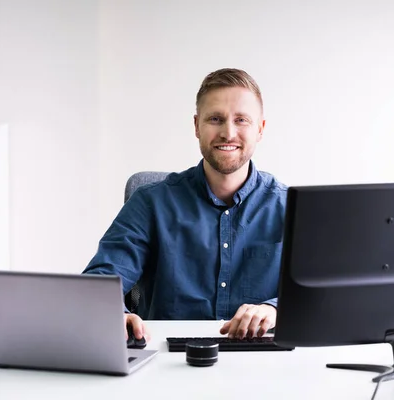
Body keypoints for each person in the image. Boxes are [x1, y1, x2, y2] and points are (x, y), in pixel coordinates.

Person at [83, 68, 287, 342]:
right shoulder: (150, 202)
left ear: (260, 129)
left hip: (260, 363)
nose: (228, 132)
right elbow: (100, 280)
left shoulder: (289, 206)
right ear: (196, 126)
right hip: (169, 362)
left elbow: (320, 294)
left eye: (241, 120)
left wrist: (275, 309)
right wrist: (114, 313)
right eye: (215, 119)